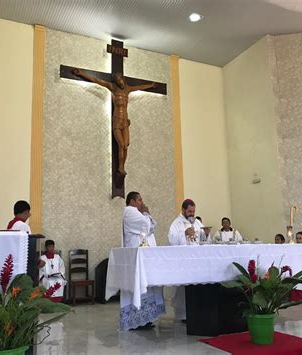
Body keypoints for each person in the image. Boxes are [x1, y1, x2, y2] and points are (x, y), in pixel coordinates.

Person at [72, 69, 156, 176]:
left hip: (125, 121)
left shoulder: (128, 89)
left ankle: (123, 166)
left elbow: (140, 87)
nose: (119, 82)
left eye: (120, 80)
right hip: (117, 120)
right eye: (117, 81)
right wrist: (82, 74)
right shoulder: (112, 88)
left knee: (126, 145)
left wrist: (151, 85)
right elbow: (96, 80)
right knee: (121, 145)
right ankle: (120, 167)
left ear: (123, 79)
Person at [120, 191, 165, 330]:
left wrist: (146, 216)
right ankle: (136, 321)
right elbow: (147, 226)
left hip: (143, 258)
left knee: (147, 289)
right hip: (136, 258)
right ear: (132, 202)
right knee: (139, 288)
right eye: (139, 200)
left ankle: (145, 319)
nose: (142, 203)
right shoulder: (129, 211)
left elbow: (152, 227)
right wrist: (147, 213)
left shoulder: (137, 213)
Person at [168, 199, 204, 322]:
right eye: (189, 211)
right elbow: (172, 241)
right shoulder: (176, 224)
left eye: (193, 211)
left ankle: (197, 311)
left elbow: (203, 239)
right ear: (183, 210)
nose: (192, 214)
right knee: (182, 288)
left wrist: (207, 234)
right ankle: (183, 314)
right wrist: (184, 233)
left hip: (197, 260)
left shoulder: (197, 222)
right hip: (183, 262)